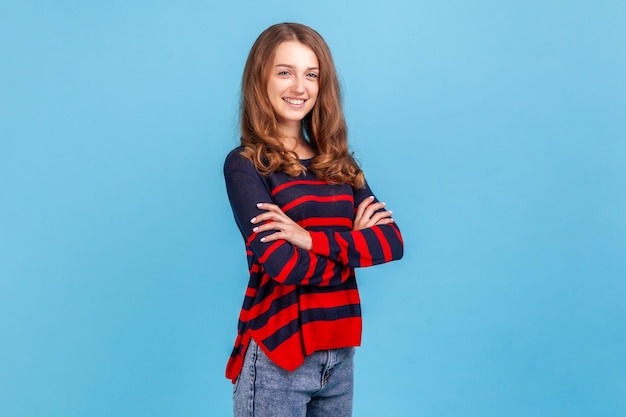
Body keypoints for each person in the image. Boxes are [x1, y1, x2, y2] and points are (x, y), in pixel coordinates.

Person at [223, 22, 404, 417]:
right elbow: (282, 266)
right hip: (278, 356)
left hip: (339, 356)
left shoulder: (338, 163)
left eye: (311, 74)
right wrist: (351, 247)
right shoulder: (248, 166)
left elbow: (392, 243)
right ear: (261, 79)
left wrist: (308, 239)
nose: (299, 87)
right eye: (284, 71)